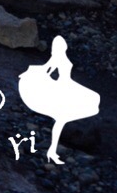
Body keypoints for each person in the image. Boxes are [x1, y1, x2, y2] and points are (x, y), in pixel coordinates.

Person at [16, 35, 99, 164]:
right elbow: (47, 70)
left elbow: (47, 70)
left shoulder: (57, 58)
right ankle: (53, 150)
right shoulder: (59, 58)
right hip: (63, 86)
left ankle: (53, 149)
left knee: (91, 99)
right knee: (64, 117)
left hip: (64, 85)